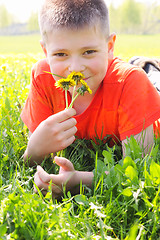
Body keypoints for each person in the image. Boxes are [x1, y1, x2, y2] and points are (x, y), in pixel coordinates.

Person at [21, 0, 160, 199]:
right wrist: (34, 150)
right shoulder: (42, 76)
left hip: (146, 85)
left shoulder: (130, 82)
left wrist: (84, 181)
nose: (75, 67)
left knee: (153, 80)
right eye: (61, 54)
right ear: (45, 52)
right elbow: (31, 160)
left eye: (89, 52)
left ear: (110, 46)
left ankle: (148, 66)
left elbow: (139, 167)